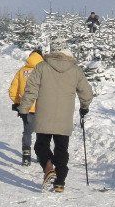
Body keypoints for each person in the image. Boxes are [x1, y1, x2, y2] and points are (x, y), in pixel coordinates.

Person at [18, 36, 93, 193]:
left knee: (41, 146)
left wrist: (24, 109)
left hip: (44, 115)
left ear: (51, 49)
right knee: (61, 149)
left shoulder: (41, 67)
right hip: (64, 117)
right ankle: (59, 183)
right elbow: (86, 92)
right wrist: (84, 107)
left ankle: (48, 167)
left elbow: (31, 90)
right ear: (65, 50)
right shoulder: (75, 70)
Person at [7, 48, 44, 165]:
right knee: (41, 132)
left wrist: (18, 102)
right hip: (42, 107)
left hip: (26, 108)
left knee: (27, 131)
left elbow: (12, 91)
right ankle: (40, 155)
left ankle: (26, 156)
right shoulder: (44, 71)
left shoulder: (22, 71)